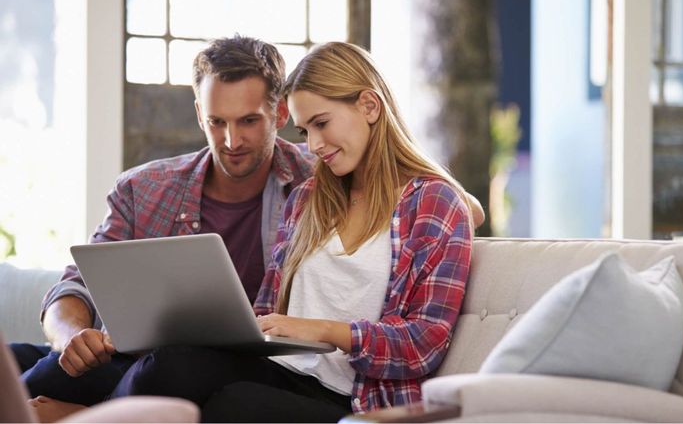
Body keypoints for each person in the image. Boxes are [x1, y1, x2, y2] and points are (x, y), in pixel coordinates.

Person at [107, 41, 474, 423]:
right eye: (304, 130)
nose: (314, 145)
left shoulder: (432, 203)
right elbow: (269, 311)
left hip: (355, 399)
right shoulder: (308, 198)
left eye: (321, 123)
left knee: (231, 406)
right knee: (170, 364)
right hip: (283, 371)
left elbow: (423, 343)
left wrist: (324, 331)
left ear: (369, 106)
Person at [9, 35, 314, 419]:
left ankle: (79, 416)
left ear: (280, 114)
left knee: (175, 364)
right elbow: (75, 285)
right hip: (133, 356)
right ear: (200, 114)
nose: (231, 140)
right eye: (216, 121)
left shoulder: (317, 182)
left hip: (242, 370)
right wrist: (71, 337)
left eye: (249, 121)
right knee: (35, 365)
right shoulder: (144, 188)